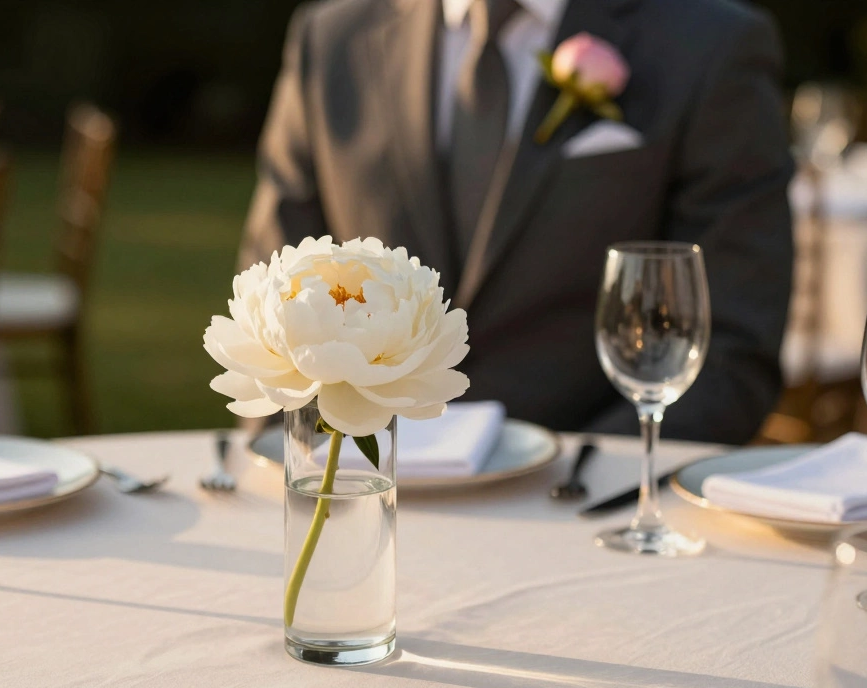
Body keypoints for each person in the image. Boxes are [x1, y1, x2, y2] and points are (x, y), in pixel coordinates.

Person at [241, 0, 794, 444]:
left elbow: (732, 347)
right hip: (360, 489)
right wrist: (300, 458)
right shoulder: (331, 36)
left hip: (585, 501)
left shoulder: (710, 44)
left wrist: (585, 479)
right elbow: (272, 299)